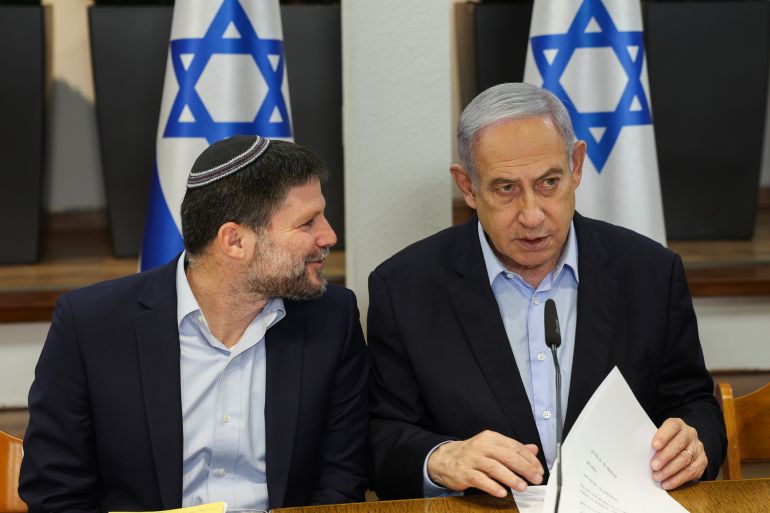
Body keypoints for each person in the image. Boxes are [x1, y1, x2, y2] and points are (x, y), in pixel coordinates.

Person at [367, 83, 726, 500]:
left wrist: (693, 442)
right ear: (468, 187)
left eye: (549, 182)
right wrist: (440, 459)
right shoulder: (404, 288)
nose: (532, 215)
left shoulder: (650, 273)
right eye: (506, 189)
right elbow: (380, 437)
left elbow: (694, 403)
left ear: (576, 166)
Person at [20, 136, 368, 513]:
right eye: (307, 223)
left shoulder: (332, 318)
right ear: (234, 241)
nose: (329, 236)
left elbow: (342, 480)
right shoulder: (91, 325)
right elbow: (55, 492)